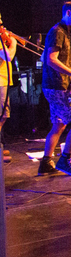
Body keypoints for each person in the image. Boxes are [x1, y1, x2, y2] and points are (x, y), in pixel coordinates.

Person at [39, 1, 71, 176]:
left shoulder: (62, 32)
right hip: (57, 87)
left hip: (53, 86)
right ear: (68, 13)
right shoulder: (58, 32)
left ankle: (46, 163)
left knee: (59, 124)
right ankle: (65, 160)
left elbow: (45, 57)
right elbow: (50, 59)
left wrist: (69, 68)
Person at [0, 15, 16, 163]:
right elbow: (8, 56)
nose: (2, 26)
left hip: (3, 80)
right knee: (2, 116)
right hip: (0, 82)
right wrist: (13, 43)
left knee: (3, 115)